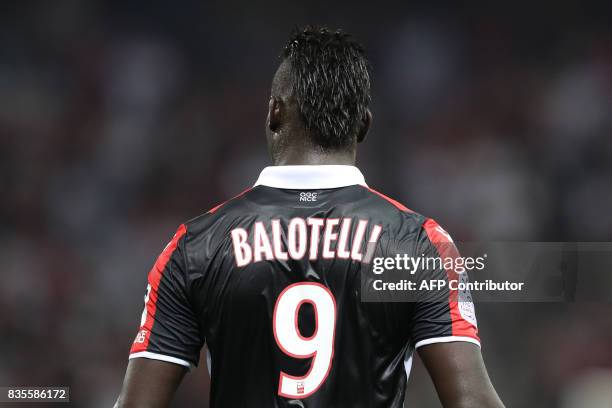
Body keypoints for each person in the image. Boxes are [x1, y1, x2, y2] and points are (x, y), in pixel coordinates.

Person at [115, 26, 504, 408]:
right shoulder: (419, 244)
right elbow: (472, 401)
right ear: (364, 124)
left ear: (274, 111)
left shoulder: (194, 245)